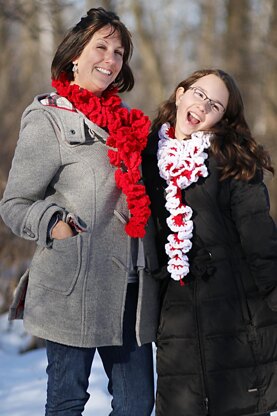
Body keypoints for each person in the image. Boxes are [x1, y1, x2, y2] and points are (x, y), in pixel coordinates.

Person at [0, 8, 161, 416]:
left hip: (129, 290)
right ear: (76, 54)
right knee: (68, 404)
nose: (110, 59)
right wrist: (53, 224)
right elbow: (15, 204)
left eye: (119, 52)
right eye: (101, 47)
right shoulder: (48, 119)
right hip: (73, 289)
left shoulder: (126, 124)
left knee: (137, 405)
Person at [142, 68, 277, 416]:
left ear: (222, 119)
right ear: (180, 94)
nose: (203, 106)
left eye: (215, 105)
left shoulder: (232, 161)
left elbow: (261, 241)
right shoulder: (146, 156)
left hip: (236, 320)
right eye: (199, 94)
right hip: (177, 324)